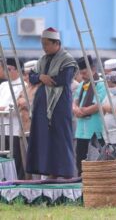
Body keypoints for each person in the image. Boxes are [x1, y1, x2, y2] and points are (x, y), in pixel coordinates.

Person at [26, 27, 78, 179]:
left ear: (57, 43)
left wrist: (43, 78)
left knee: (60, 137)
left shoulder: (67, 60)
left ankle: (66, 172)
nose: (44, 47)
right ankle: (50, 171)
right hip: (42, 105)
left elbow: (62, 80)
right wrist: (42, 77)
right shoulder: (42, 60)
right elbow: (32, 77)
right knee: (44, 137)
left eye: (47, 44)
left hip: (59, 105)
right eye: (42, 44)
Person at [73, 55, 106, 176]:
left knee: (96, 161)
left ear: (93, 69)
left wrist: (83, 111)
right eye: (81, 73)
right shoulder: (82, 84)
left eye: (85, 72)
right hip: (81, 130)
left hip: (95, 129)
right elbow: (75, 101)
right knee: (80, 161)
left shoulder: (101, 84)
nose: (82, 76)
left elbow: (99, 104)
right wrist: (75, 109)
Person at [0, 58, 25, 179]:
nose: (7, 72)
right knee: (3, 158)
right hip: (2, 127)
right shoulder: (3, 85)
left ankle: (17, 180)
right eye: (5, 69)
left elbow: (18, 106)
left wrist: (4, 108)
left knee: (16, 158)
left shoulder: (23, 85)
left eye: (9, 69)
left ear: (17, 70)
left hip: (15, 128)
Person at [17, 60, 40, 135]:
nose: (25, 78)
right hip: (23, 129)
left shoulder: (43, 87)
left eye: (28, 74)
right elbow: (16, 104)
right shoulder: (25, 88)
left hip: (37, 130)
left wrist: (27, 104)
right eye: (25, 74)